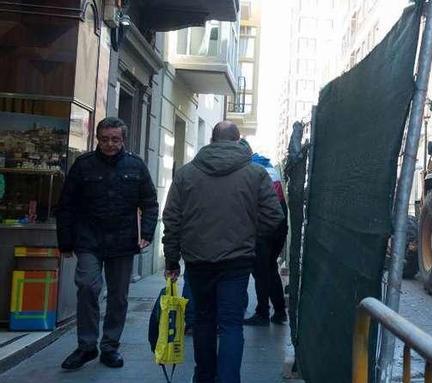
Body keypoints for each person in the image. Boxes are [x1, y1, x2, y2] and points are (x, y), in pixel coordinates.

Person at [162, 121, 284, 383]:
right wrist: (249, 236)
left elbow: (172, 220)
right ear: (239, 140)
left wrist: (172, 258)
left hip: (197, 261)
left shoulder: (186, 174)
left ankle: (204, 377)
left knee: (204, 321)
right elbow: (274, 217)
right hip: (237, 263)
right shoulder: (256, 174)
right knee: (231, 325)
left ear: (212, 140)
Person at [56, 117, 158, 370]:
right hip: (88, 240)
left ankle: (110, 346)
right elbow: (66, 205)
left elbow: (150, 203)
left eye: (115, 139)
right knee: (88, 287)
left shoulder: (136, 166)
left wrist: (146, 232)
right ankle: (86, 346)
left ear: (123, 139)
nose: (109, 144)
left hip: (123, 242)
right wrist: (65, 241)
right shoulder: (83, 166)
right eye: (104, 139)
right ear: (97, 139)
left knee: (118, 297)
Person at [244, 152, 289, 326]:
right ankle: (279, 311)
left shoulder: (253, 170)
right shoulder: (269, 168)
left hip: (265, 231)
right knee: (270, 269)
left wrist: (259, 233)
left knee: (260, 272)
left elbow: (264, 207)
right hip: (278, 229)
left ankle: (262, 312)